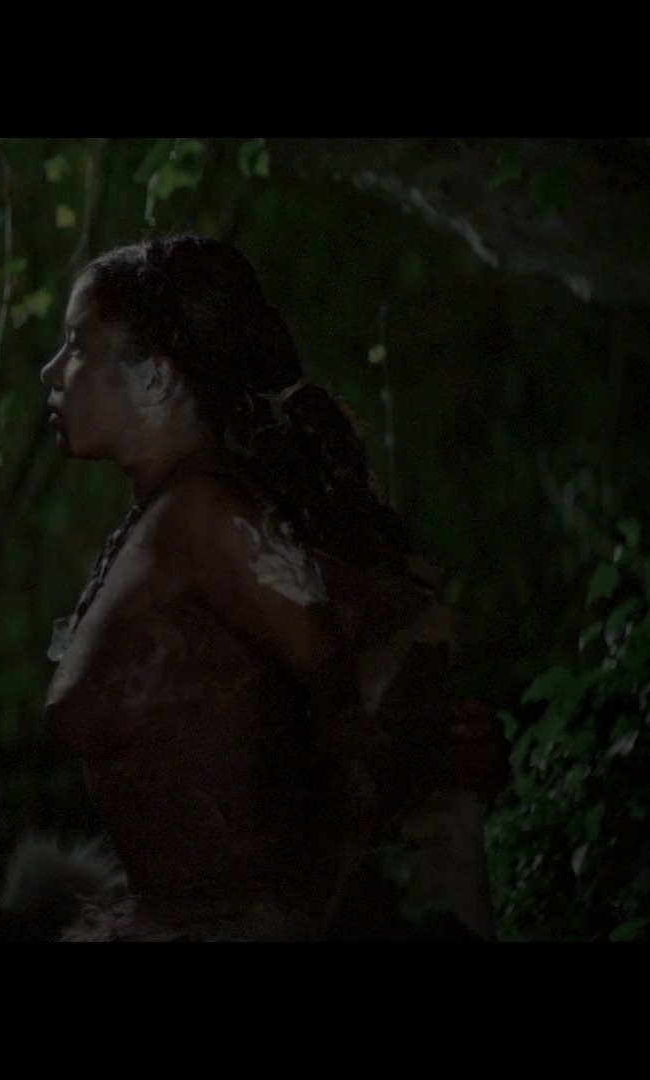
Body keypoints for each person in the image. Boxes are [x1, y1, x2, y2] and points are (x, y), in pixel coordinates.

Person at [38, 234, 509, 941]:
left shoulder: (205, 517)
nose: (52, 370)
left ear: (157, 378)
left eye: (78, 346)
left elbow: (348, 686)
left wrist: (431, 752)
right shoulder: (176, 517)